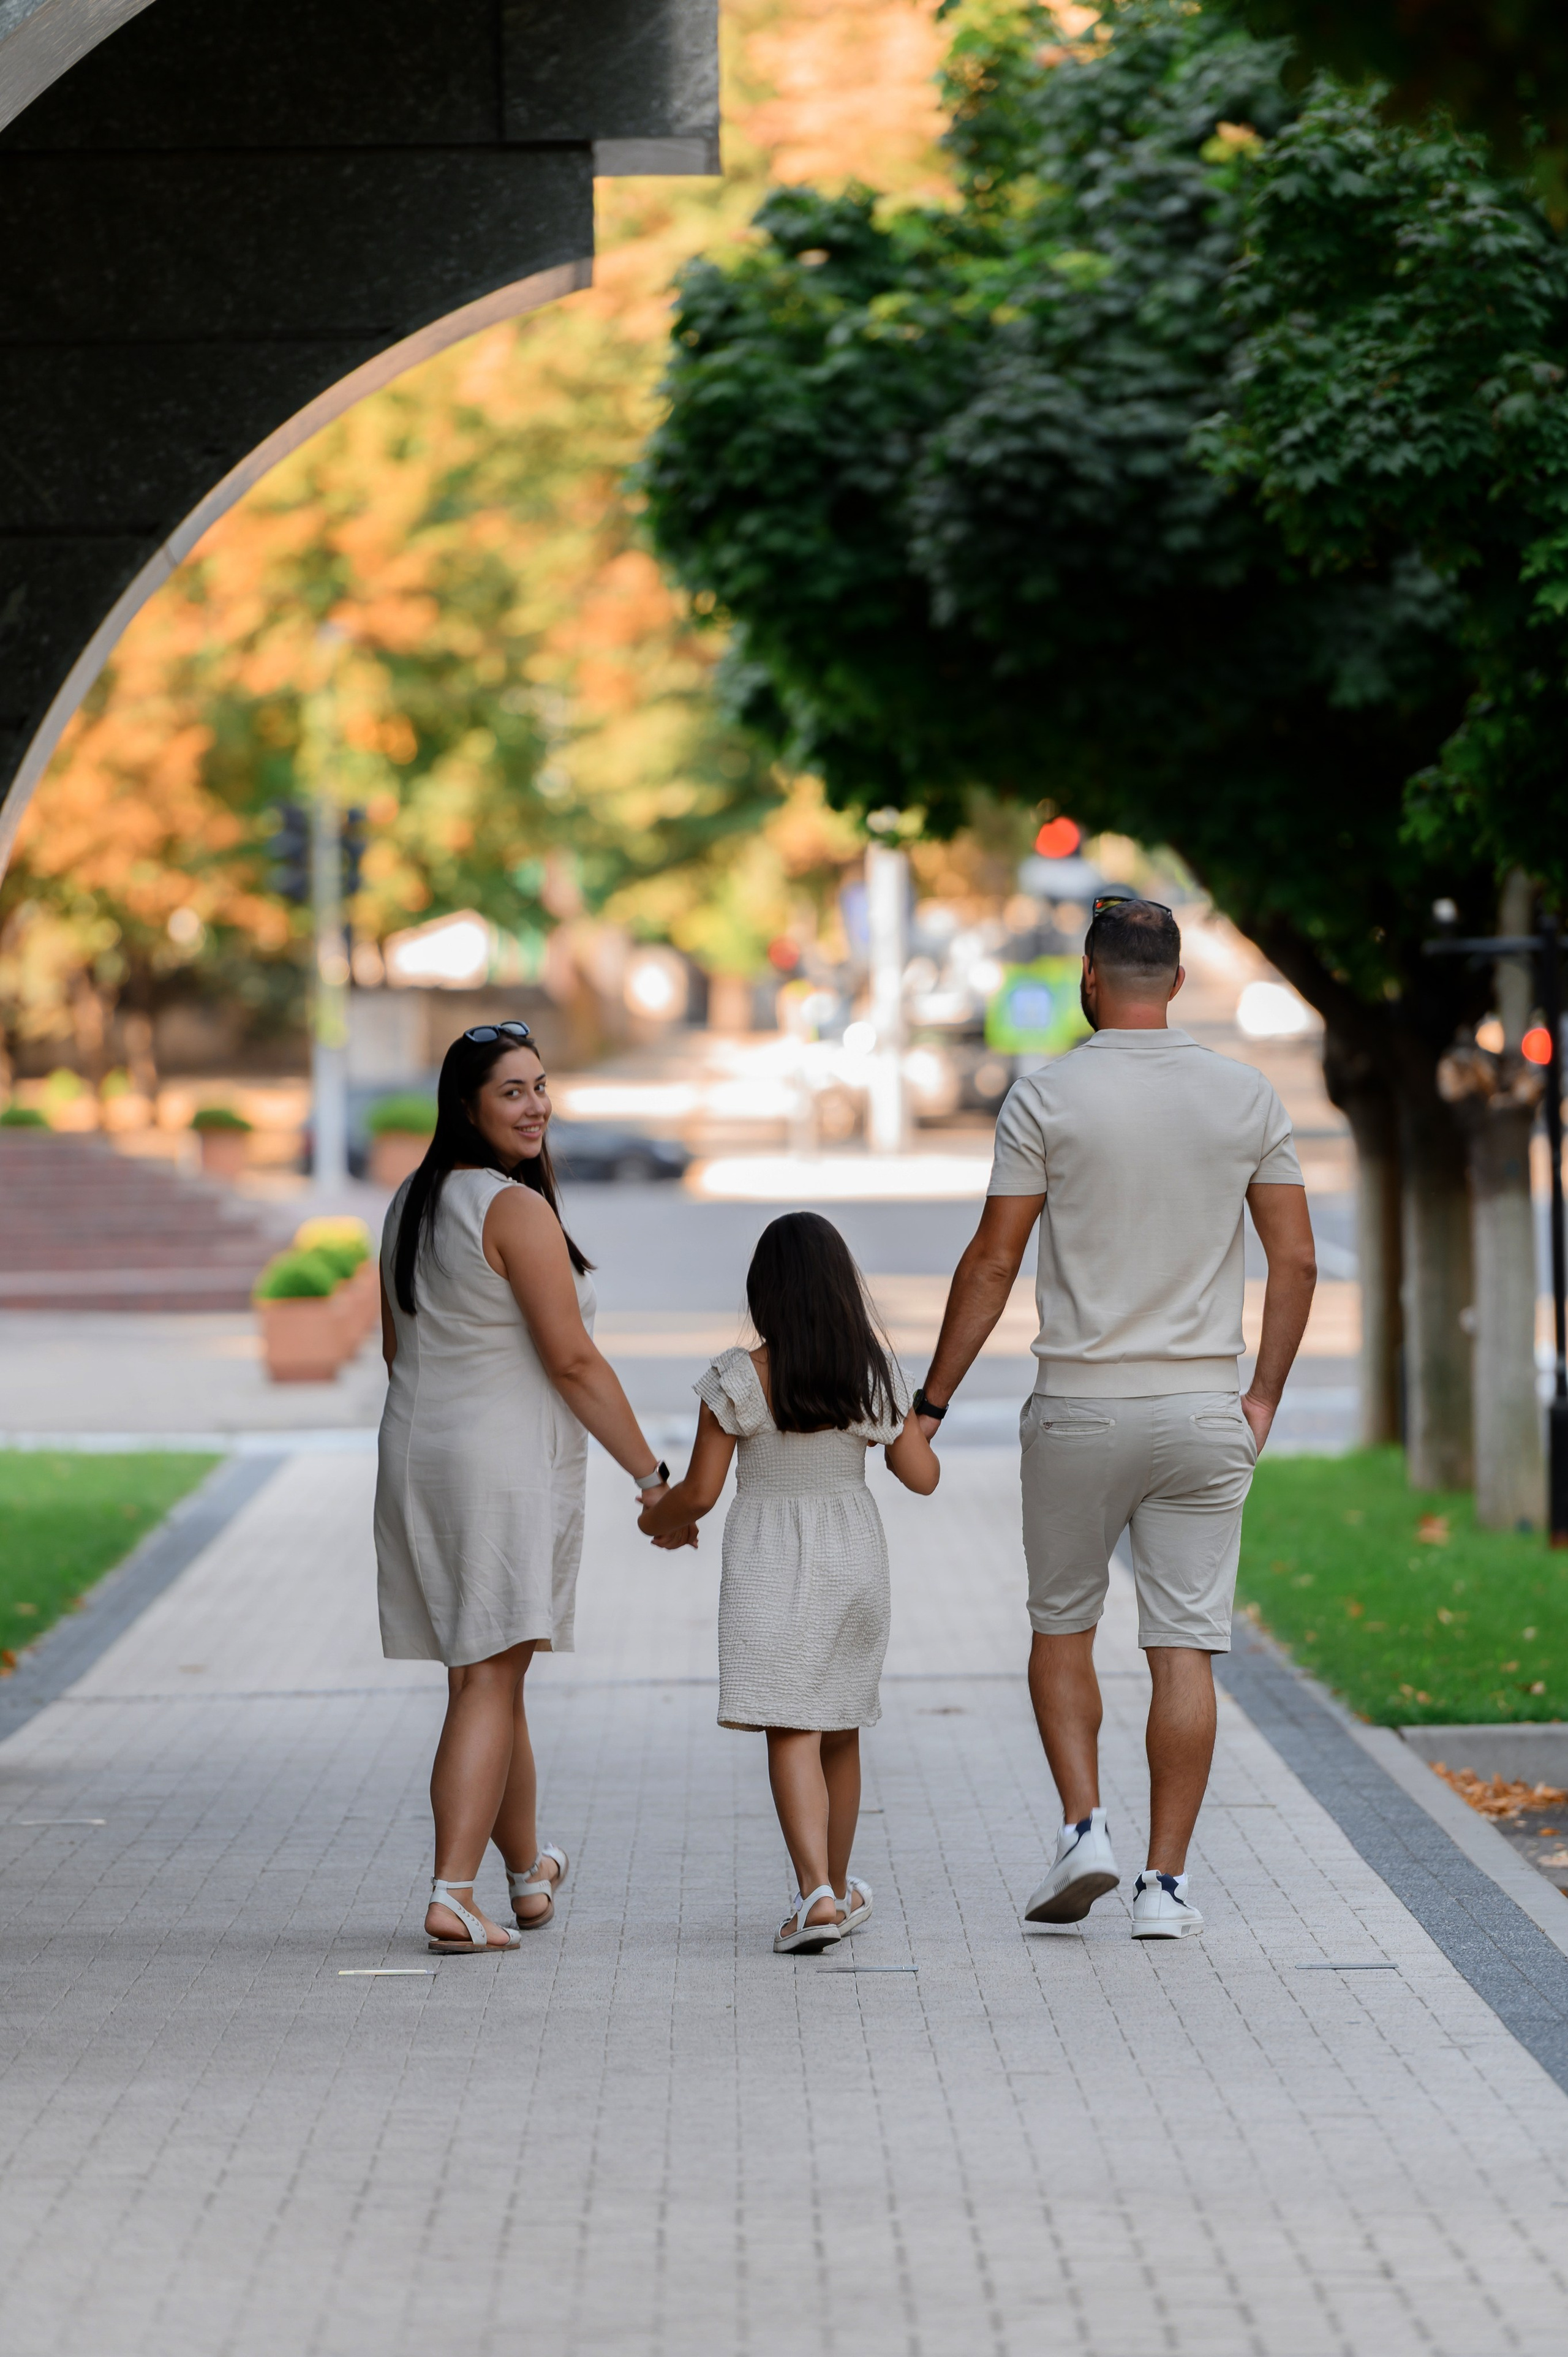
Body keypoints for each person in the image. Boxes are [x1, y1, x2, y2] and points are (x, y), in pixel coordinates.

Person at [913, 898, 1316, 1940]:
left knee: (1063, 1625)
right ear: (1177, 982)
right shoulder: (1246, 1095)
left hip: (1081, 1410)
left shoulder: (1045, 1097)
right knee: (1185, 1648)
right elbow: (1297, 1259)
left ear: (1090, 981)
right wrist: (1261, 1392)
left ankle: (1084, 1825)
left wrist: (931, 1405)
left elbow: (994, 1260)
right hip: (1202, 1411)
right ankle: (1166, 1888)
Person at [375, 1021, 675, 1954]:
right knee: (488, 1676)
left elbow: (398, 1350)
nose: (536, 1104)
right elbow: (575, 1362)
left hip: (420, 1453)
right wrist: (653, 1477)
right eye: (512, 1090)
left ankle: (524, 1878)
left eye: (541, 1085)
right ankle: (454, 1894)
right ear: (467, 1106)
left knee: (492, 1674)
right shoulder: (513, 1210)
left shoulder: (411, 1205)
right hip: (498, 1467)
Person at [638, 1212, 940, 1953]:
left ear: (762, 1291)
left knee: (789, 1721)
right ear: (843, 1288)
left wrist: (657, 1516)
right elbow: (923, 1478)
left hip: (774, 1554)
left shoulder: (740, 1375)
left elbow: (701, 1493)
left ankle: (815, 1895)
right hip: (854, 1555)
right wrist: (911, 1420)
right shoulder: (869, 1371)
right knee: (839, 1725)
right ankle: (830, 1890)